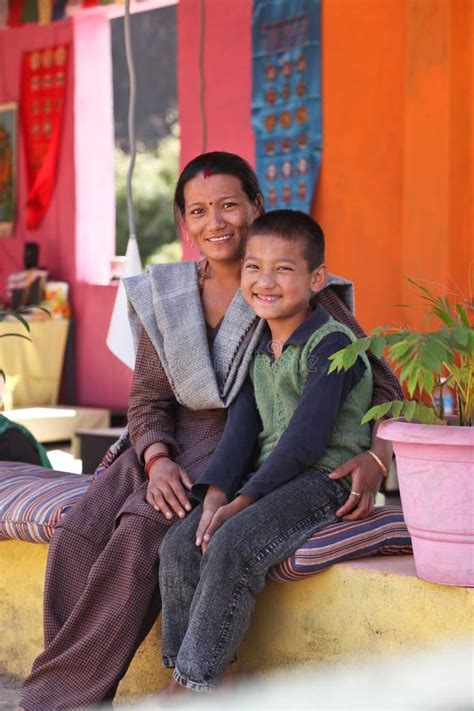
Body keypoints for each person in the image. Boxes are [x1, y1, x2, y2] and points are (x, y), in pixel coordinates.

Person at [18, 153, 401, 711]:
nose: (215, 222)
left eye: (229, 206)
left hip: (242, 452)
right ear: (183, 222)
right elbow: (148, 397)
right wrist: (153, 457)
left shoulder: (301, 290)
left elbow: (385, 391)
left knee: (142, 532)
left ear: (256, 207)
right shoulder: (166, 295)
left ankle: (67, 697)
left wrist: (380, 458)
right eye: (198, 211)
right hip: (168, 445)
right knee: (79, 533)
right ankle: (66, 677)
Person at [158, 209, 374, 693]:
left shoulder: (334, 344)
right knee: (178, 545)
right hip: (269, 479)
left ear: (317, 278)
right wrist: (215, 494)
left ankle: (191, 688)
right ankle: (204, 678)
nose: (265, 281)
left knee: (232, 544)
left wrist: (242, 503)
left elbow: (306, 441)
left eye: (284, 268)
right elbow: (240, 432)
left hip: (324, 480)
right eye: (253, 267)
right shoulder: (259, 349)